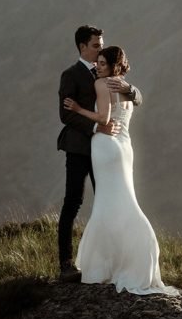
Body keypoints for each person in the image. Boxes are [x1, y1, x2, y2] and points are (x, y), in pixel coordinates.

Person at [63, 45, 179, 296]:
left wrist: (78, 109)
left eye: (103, 63)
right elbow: (132, 102)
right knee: (123, 200)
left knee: (106, 203)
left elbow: (104, 119)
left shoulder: (103, 85)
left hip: (106, 146)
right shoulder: (125, 87)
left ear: (114, 65)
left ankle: (102, 265)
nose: (98, 66)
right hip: (125, 148)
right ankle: (134, 256)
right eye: (98, 61)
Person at [57, 26, 141, 283]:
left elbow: (135, 98)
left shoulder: (107, 74)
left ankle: (113, 261)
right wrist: (96, 126)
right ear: (82, 47)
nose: (100, 49)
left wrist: (131, 89)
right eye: (96, 45)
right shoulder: (70, 74)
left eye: (102, 45)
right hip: (80, 149)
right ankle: (67, 264)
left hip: (104, 149)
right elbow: (66, 114)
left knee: (107, 202)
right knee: (73, 202)